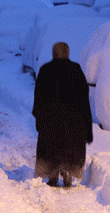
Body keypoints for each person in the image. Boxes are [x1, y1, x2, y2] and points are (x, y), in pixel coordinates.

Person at [32, 42, 93, 187]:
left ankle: (52, 174)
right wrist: (87, 127)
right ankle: (68, 171)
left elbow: (38, 97)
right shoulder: (76, 70)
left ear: (54, 53)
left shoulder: (45, 70)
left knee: (51, 147)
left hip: (50, 120)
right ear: (68, 53)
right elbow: (84, 99)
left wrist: (39, 117)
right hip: (73, 121)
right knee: (70, 146)